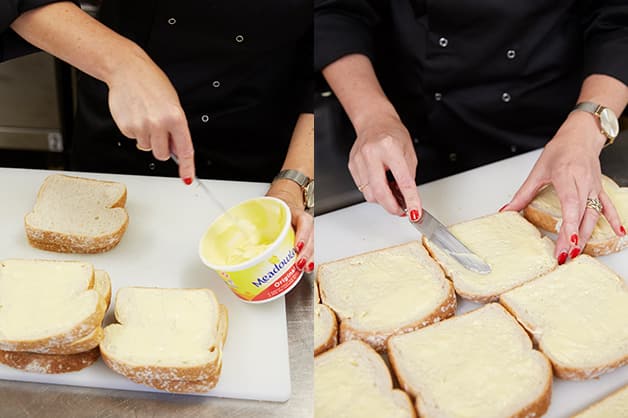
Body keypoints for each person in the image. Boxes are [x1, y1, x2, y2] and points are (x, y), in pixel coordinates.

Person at [4, 1, 314, 272]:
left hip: (260, 162)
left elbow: (336, 30)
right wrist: (121, 62)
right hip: (119, 137)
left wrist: (293, 182)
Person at [315, 0, 628, 265]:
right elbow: (333, 9)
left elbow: (619, 15)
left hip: (549, 141)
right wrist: (372, 116)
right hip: (404, 139)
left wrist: (589, 123)